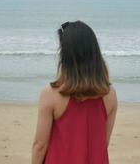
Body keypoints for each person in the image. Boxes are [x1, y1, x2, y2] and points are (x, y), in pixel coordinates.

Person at [31, 21, 118, 164]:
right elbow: (103, 143)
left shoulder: (51, 94)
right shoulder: (110, 95)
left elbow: (40, 145)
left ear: (66, 56)